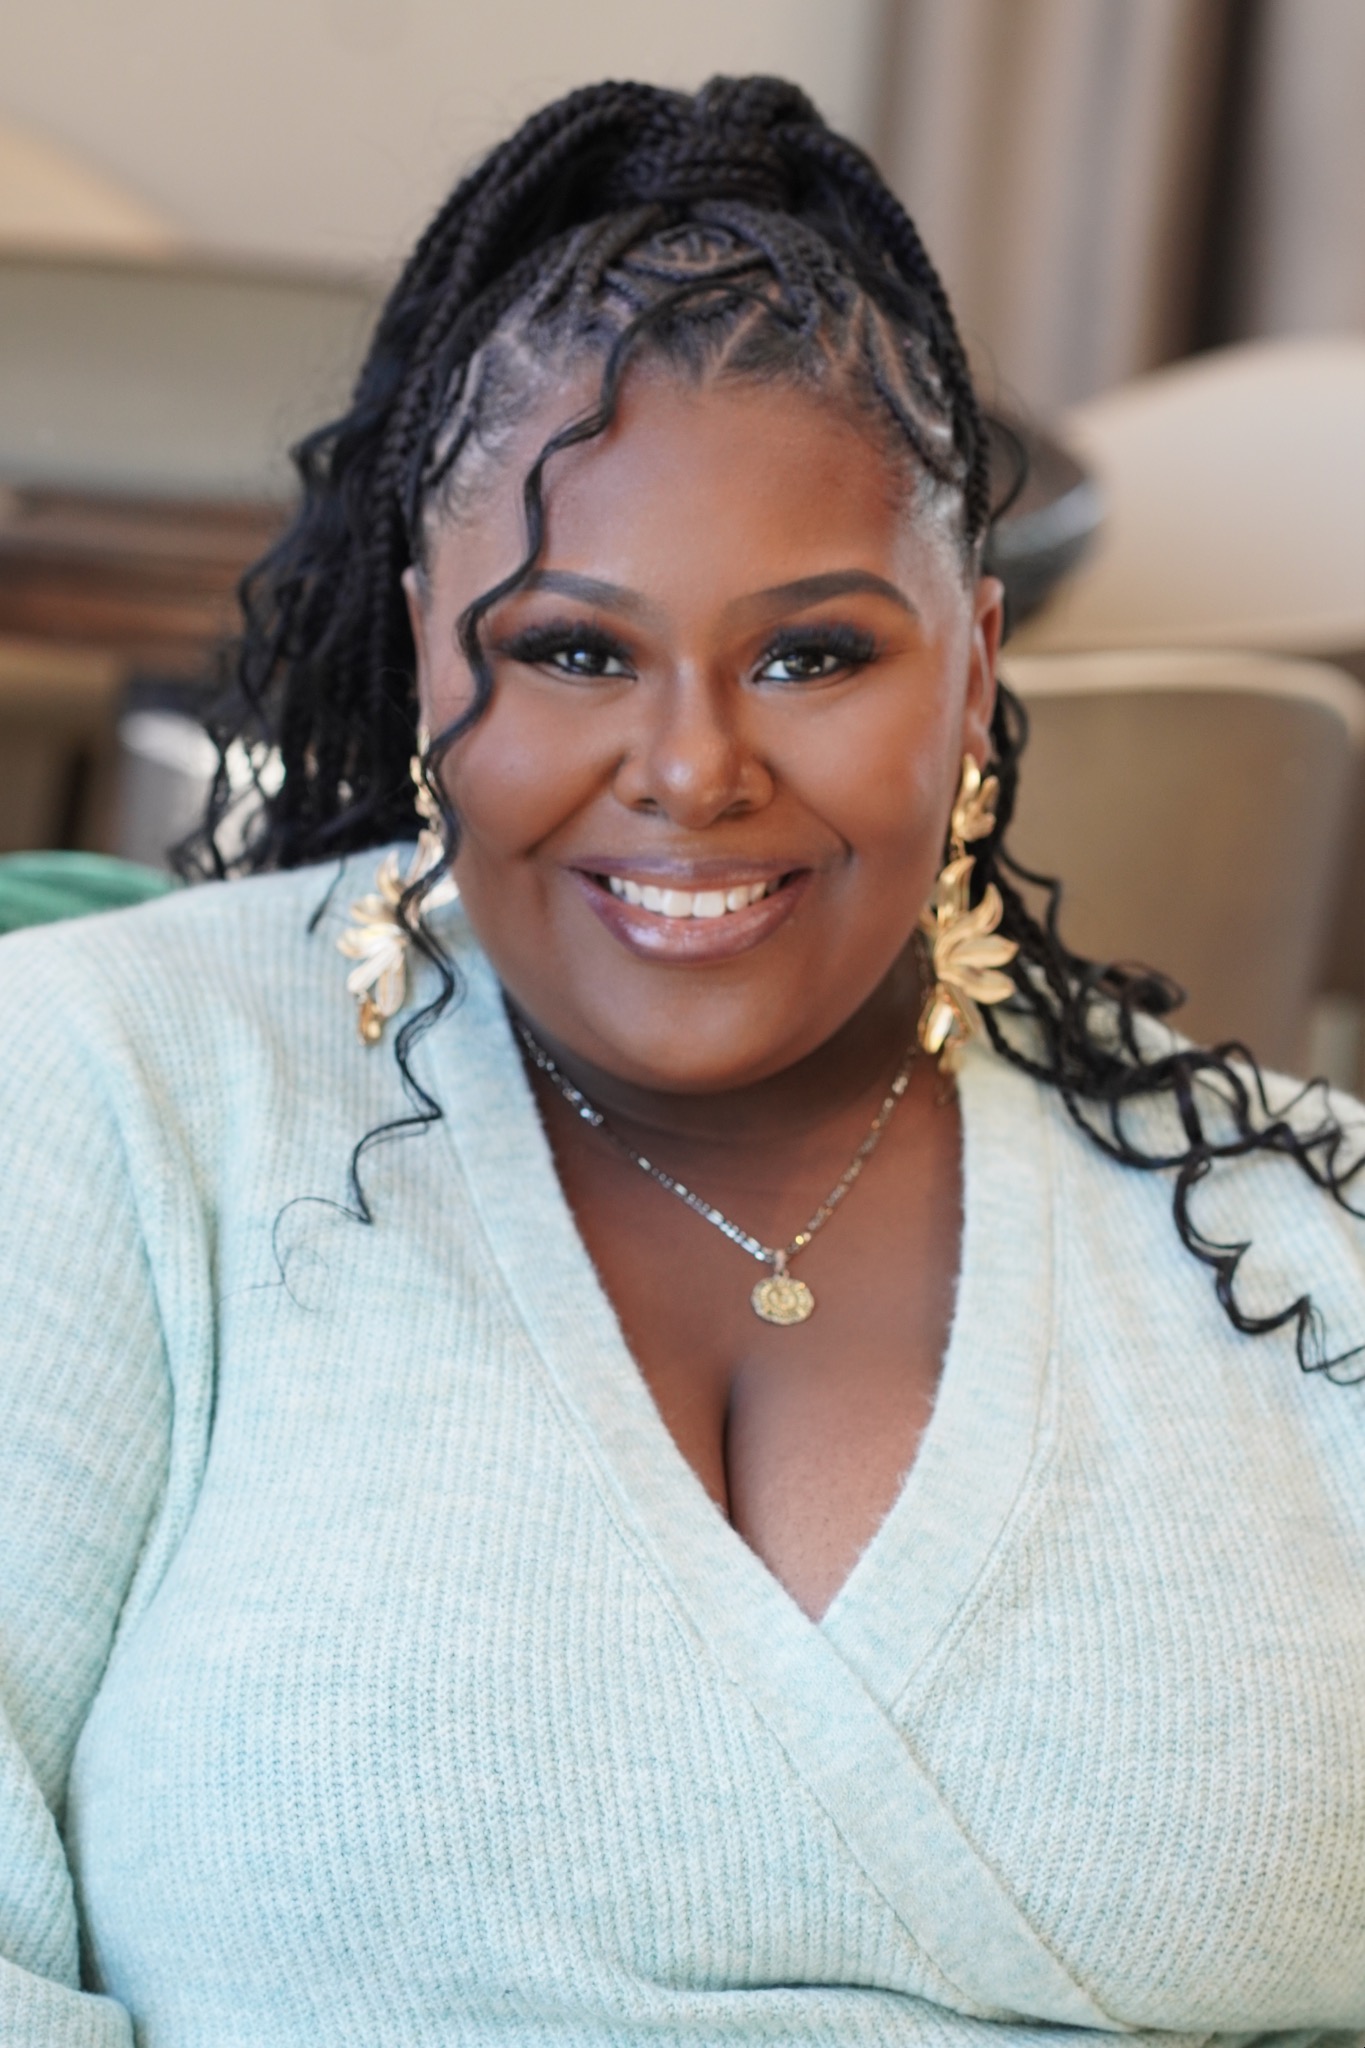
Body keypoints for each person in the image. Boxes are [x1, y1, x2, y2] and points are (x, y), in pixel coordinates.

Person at [1, 75, 1363, 2047]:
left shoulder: (1303, 1238)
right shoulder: (99, 1098)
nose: (692, 769)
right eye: (570, 650)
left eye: (811, 655)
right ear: (428, 651)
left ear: (974, 667)